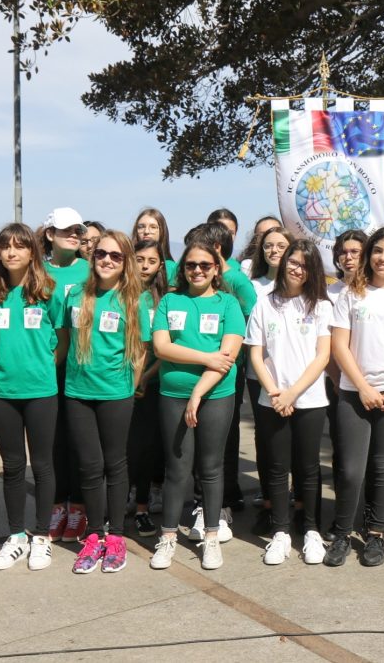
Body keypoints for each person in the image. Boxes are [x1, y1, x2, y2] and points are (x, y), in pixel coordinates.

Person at [325, 227, 384, 568]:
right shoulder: (352, 294)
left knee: (383, 466)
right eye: (378, 250)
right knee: (351, 470)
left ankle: (376, 533)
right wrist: (361, 386)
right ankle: (342, 532)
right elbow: (339, 345)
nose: (383, 258)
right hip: (355, 395)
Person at [149, 240, 245, 570]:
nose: (198, 270)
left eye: (205, 265)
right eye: (191, 265)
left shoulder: (228, 304)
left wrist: (198, 393)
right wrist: (206, 357)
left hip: (215, 395)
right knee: (176, 469)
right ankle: (168, 537)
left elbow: (227, 356)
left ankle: (212, 536)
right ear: (183, 268)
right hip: (173, 395)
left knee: (211, 468)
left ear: (216, 269)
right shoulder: (170, 301)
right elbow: (162, 348)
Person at [60, 230, 151, 573]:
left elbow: (139, 352)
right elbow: (64, 341)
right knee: (89, 466)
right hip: (78, 393)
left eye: (115, 255)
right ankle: (94, 535)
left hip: (116, 394)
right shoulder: (74, 295)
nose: (107, 260)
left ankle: (116, 536)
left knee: (115, 465)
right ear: (92, 256)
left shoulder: (135, 300)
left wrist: (131, 386)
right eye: (101, 253)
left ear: (125, 261)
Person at [245, 240, 333, 565]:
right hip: (272, 400)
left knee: (307, 468)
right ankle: (280, 531)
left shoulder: (321, 306)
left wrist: (293, 393)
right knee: (277, 467)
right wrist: (274, 392)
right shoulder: (264, 304)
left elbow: (323, 356)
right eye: (293, 262)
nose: (297, 269)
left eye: (304, 265)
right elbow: (256, 353)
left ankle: (311, 530)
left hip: (309, 399)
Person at [0, 223, 65, 570]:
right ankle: (16, 536)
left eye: (19, 246)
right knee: (13, 466)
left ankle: (41, 537)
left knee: (43, 465)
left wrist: (42, 366)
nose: (11, 252)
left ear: (33, 251)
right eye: (5, 246)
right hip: (1, 392)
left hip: (41, 391)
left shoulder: (48, 291)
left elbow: (62, 338)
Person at [193, 221, 256, 520]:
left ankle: (227, 496)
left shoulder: (237, 281)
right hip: (200, 365)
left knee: (225, 437)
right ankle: (204, 498)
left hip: (230, 367)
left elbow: (252, 319)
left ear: (216, 248)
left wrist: (232, 349)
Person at [41, 208, 92, 545]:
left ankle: (80, 507)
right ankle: (58, 505)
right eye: (66, 230)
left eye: (78, 230)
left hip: (83, 369)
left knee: (79, 441)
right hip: (46, 369)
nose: (74, 235)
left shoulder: (90, 269)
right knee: (53, 441)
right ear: (50, 234)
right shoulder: (37, 272)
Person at [246, 225, 293, 533]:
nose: (274, 250)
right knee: (266, 442)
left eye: (280, 245)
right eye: (268, 246)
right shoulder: (253, 286)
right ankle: (269, 504)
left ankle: (299, 505)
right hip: (260, 377)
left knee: (298, 446)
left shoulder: (304, 283)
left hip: (299, 379)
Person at [323, 229, 367, 540]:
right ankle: (343, 516)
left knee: (375, 457)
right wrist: (339, 381)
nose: (348, 257)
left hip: (376, 383)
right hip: (338, 384)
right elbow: (326, 345)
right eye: (344, 252)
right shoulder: (330, 294)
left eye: (355, 252)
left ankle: (371, 517)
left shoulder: (378, 290)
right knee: (343, 452)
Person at [128, 238, 169, 537]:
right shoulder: (122, 294)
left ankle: (142, 506)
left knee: (146, 448)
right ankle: (122, 500)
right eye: (139, 259)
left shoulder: (164, 299)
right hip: (119, 383)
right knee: (124, 449)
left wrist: (145, 377)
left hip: (151, 382)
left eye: (151, 261)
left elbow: (167, 347)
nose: (144, 266)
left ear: (160, 265)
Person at [132, 207, 177, 285]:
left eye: (153, 227)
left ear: (162, 231)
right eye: (141, 227)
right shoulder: (125, 262)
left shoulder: (171, 268)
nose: (146, 231)